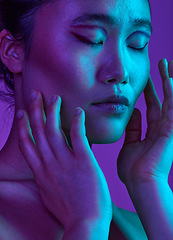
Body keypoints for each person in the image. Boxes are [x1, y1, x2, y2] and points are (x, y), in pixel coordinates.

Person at [0, 0, 172, 239]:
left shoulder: (140, 226)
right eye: (92, 39)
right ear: (12, 50)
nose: (121, 73)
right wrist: (86, 226)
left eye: (137, 44)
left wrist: (148, 183)